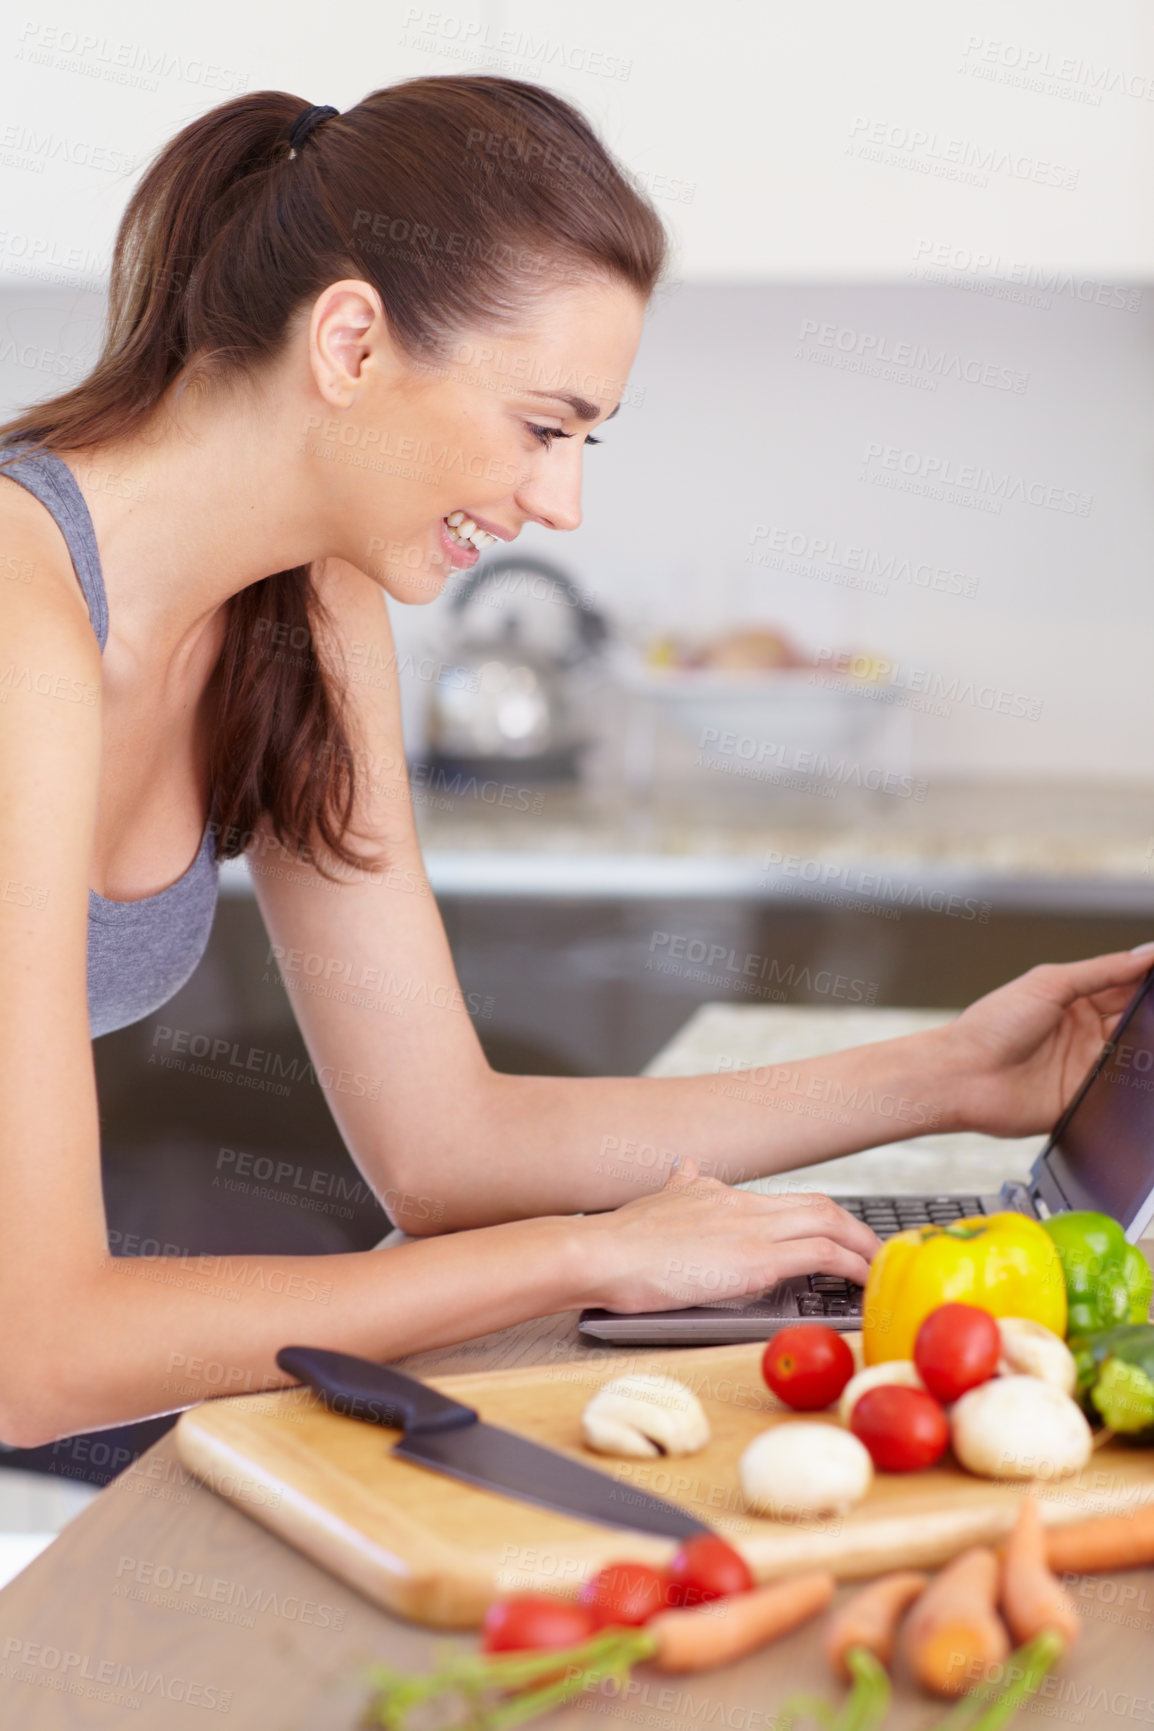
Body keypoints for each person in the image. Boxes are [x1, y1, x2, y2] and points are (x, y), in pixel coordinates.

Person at [0, 74, 1148, 1449]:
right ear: (352, 343)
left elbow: (442, 1149)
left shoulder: (303, 600)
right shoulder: (22, 618)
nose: (560, 501)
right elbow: (43, 1354)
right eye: (543, 427)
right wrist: (590, 1256)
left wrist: (955, 1073)